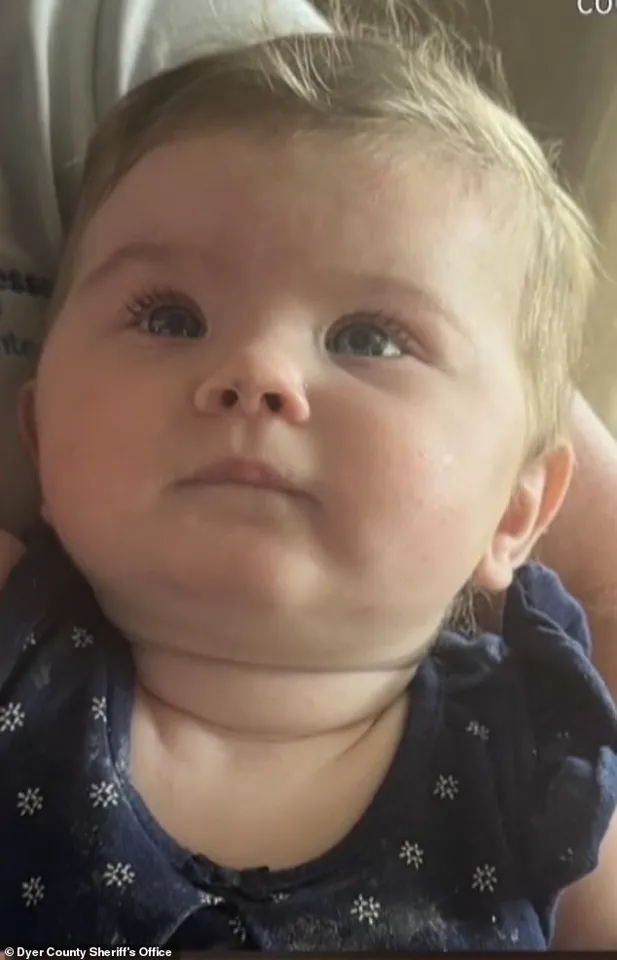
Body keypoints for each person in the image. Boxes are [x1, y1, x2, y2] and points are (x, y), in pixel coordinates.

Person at [1, 0, 617, 951]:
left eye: (368, 338)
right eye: (169, 318)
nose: (253, 371)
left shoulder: (543, 777)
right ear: (39, 435)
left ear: (516, 511)